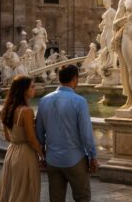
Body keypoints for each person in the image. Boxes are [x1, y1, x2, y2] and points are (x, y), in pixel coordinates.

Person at [36, 65, 97, 202]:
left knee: (56, 198)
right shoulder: (80, 101)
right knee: (82, 197)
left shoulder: (44, 100)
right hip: (75, 159)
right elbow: (86, 135)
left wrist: (43, 155)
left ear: (59, 78)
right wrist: (93, 156)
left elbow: (39, 133)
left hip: (52, 159)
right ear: (75, 79)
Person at [0, 75, 43, 202]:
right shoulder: (26, 111)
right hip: (25, 155)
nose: (34, 89)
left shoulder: (7, 109)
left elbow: (7, 137)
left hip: (11, 153)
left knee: (11, 190)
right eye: (32, 87)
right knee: (25, 192)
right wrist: (43, 155)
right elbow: (31, 138)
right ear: (23, 90)